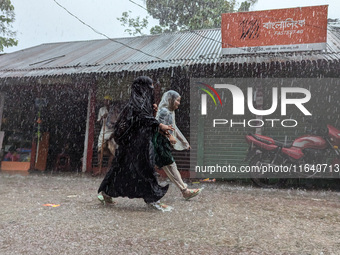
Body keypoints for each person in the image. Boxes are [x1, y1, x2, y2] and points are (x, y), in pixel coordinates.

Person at [97, 76, 174, 211]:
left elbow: (145, 120)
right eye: (148, 86)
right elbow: (142, 118)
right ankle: (153, 199)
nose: (151, 89)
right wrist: (159, 124)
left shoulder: (140, 103)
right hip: (137, 144)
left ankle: (107, 192)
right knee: (145, 169)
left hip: (134, 144)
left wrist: (153, 113)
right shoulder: (136, 105)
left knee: (122, 169)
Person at [154, 90, 202, 200]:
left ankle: (184, 190)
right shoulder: (164, 112)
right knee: (171, 166)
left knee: (168, 167)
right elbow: (156, 127)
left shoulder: (170, 112)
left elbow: (174, 128)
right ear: (170, 100)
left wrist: (184, 142)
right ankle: (184, 190)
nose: (179, 103)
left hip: (164, 143)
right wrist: (168, 135)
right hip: (160, 143)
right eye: (177, 100)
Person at [95, 95, 117, 175]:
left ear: (110, 102)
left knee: (112, 151)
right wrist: (102, 117)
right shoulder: (101, 110)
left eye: (107, 100)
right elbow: (98, 121)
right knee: (100, 150)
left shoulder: (114, 110)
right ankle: (99, 168)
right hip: (103, 131)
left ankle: (108, 168)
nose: (105, 102)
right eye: (104, 100)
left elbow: (117, 121)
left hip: (111, 132)